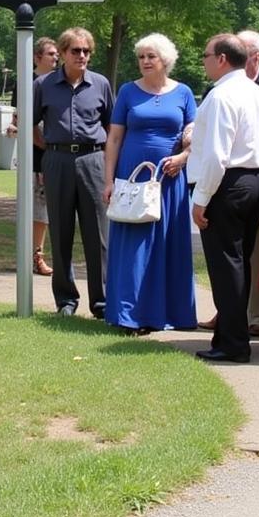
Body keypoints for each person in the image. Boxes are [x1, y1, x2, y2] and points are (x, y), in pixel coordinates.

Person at [102, 33, 196, 332]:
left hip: (170, 180)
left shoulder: (184, 93)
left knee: (168, 245)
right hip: (133, 177)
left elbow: (194, 136)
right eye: (141, 56)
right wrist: (109, 181)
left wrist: (183, 158)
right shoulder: (128, 92)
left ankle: (172, 313)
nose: (144, 61)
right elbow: (114, 138)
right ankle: (130, 315)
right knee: (134, 248)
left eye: (150, 56)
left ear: (164, 60)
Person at [189, 33, 259, 363]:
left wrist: (201, 197)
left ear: (222, 58)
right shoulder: (257, 93)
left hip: (229, 183)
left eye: (206, 55)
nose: (205, 61)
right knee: (238, 264)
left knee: (226, 265)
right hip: (255, 180)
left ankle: (233, 343)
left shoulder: (222, 96)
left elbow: (216, 154)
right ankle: (227, 335)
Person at [33, 27, 112, 317]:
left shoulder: (101, 84)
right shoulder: (44, 84)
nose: (82, 56)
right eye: (76, 50)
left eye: (86, 51)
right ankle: (66, 300)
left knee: (98, 236)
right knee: (61, 232)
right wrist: (51, 149)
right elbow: (29, 125)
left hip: (93, 161)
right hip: (57, 161)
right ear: (63, 53)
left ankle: (102, 301)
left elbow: (111, 128)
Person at [8, 37, 59, 275]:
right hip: (36, 157)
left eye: (57, 54)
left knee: (45, 210)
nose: (56, 58)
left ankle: (35, 254)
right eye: (51, 54)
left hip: (52, 154)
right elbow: (23, 120)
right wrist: (45, 146)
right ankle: (34, 257)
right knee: (37, 209)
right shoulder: (27, 82)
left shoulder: (57, 82)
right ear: (37, 57)